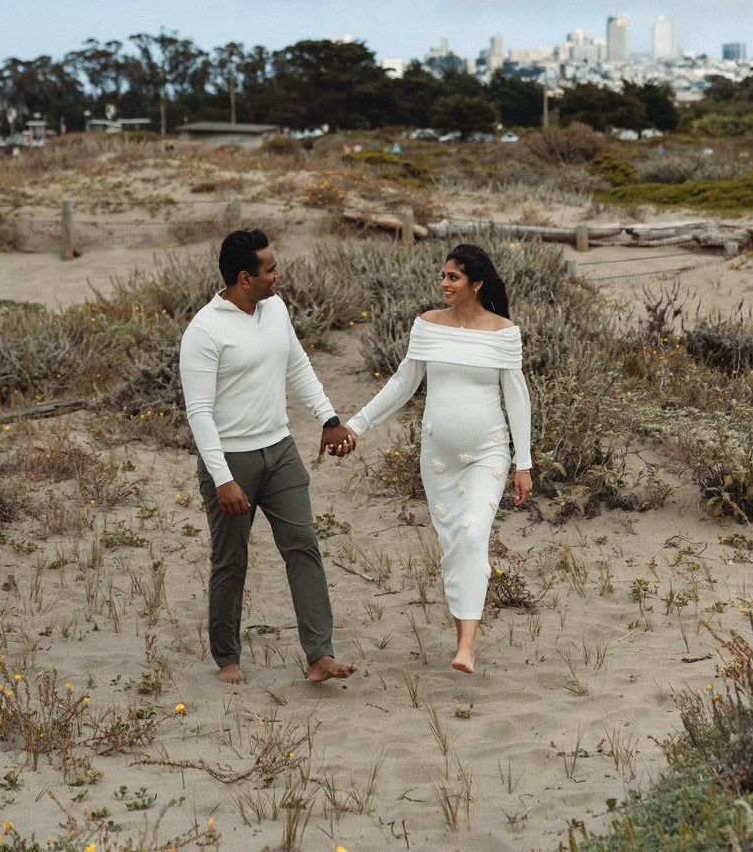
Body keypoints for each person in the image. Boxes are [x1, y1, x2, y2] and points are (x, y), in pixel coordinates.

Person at [341, 243, 533, 674]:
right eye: (444, 276)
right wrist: (356, 425)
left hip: (488, 452)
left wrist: (525, 463)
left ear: (476, 284)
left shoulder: (504, 332)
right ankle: (462, 636)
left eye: (453, 277)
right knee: (453, 543)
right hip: (438, 457)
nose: (444, 284)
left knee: (472, 534)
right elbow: (403, 383)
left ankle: (467, 645)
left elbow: (517, 398)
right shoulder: (428, 325)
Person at [179, 228, 357, 686]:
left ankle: (320, 655)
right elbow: (197, 411)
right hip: (231, 462)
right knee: (230, 559)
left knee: (303, 547)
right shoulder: (204, 330)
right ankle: (227, 657)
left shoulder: (274, 308)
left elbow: (297, 364)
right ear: (244, 277)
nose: (279, 275)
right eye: (271, 269)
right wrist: (221, 478)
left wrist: (329, 418)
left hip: (280, 452)